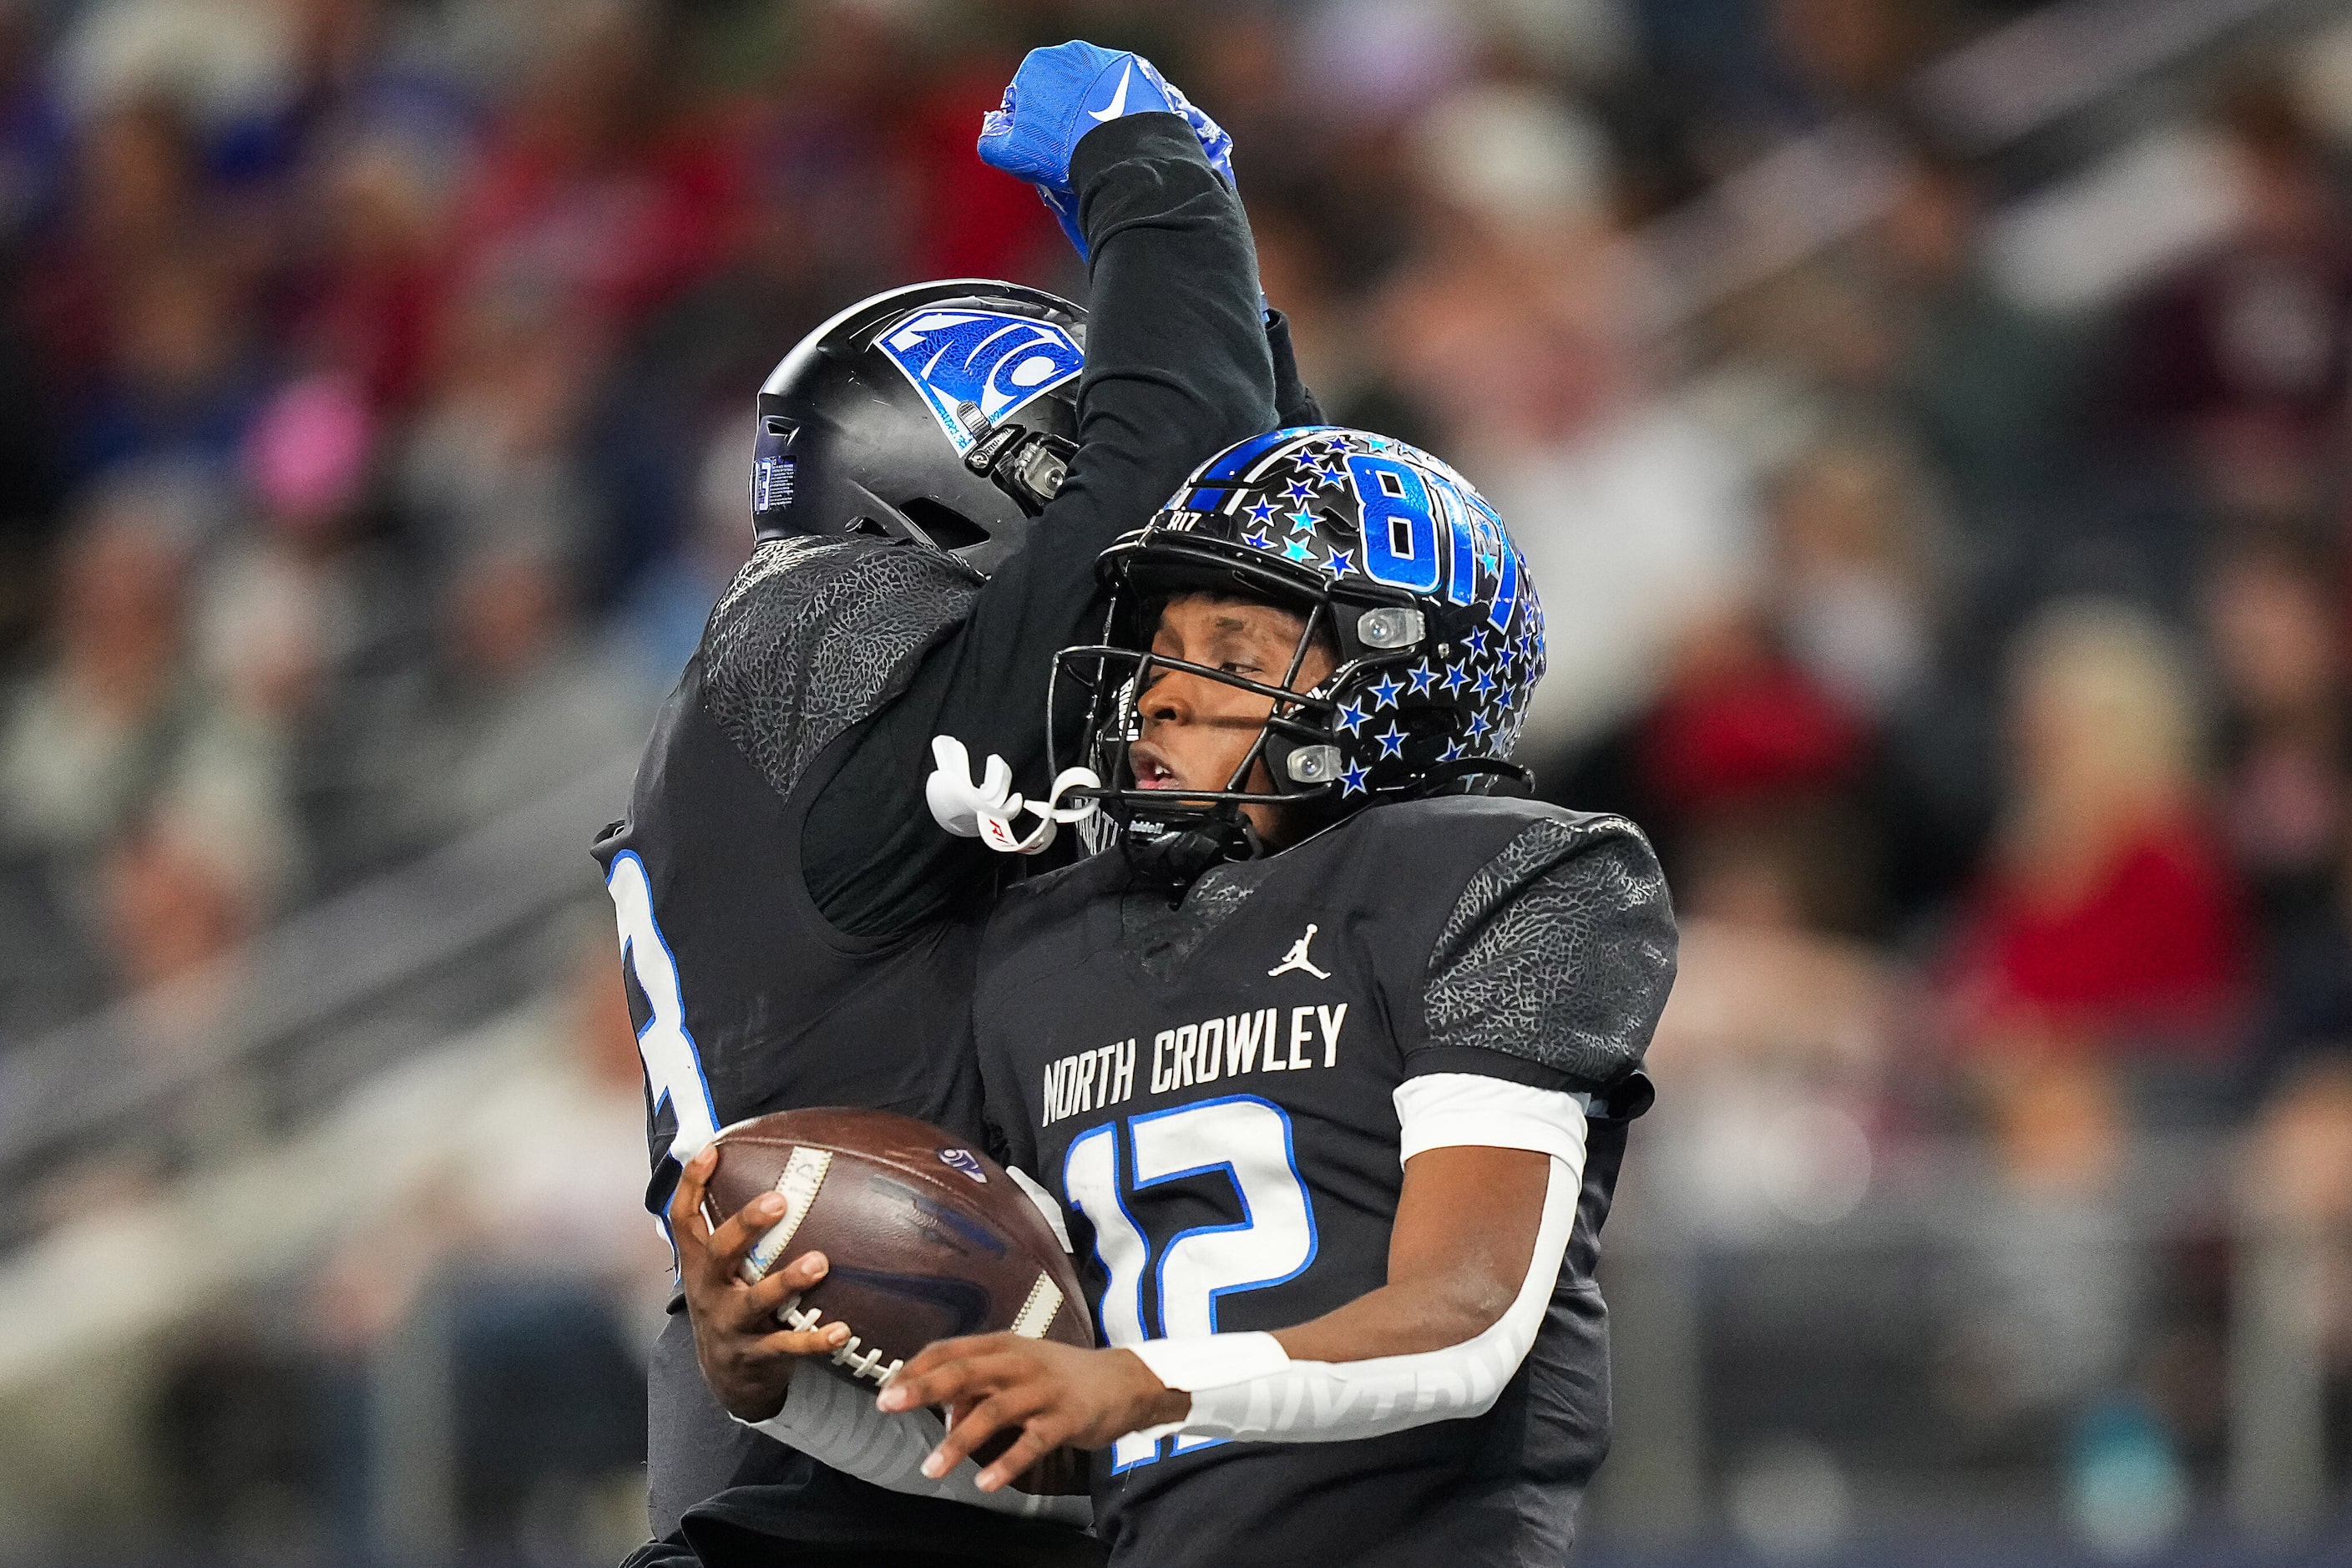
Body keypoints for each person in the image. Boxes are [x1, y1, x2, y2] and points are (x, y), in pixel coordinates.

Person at [672, 426, 1675, 1566]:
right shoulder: (1051, 942)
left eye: (1233, 653)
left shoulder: (1502, 872)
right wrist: (770, 1384)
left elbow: (1466, 1323)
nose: (1159, 690)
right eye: (1159, 648)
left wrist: (1132, 1380)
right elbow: (1048, 1446)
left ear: (1399, 672)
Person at [594, 42, 1323, 1568]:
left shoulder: (865, 703)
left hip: (966, 1468)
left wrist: (1228, 305)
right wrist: (1153, 187)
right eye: (1070, 477)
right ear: (943, 486)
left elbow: (1273, 562)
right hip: (850, 1495)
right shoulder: (810, 650)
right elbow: (1165, 494)